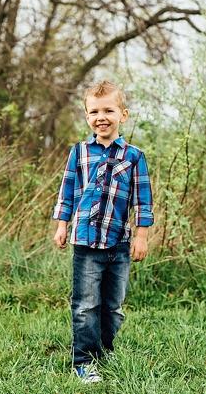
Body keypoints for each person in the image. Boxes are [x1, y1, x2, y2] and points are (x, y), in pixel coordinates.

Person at [52, 80, 153, 385]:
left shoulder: (134, 156)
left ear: (123, 115)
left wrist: (141, 236)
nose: (101, 117)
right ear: (86, 117)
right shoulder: (79, 152)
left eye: (108, 110)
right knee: (85, 304)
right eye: (94, 111)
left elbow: (142, 199)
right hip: (84, 242)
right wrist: (61, 224)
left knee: (113, 306)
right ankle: (83, 360)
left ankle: (104, 350)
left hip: (119, 244)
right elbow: (67, 189)